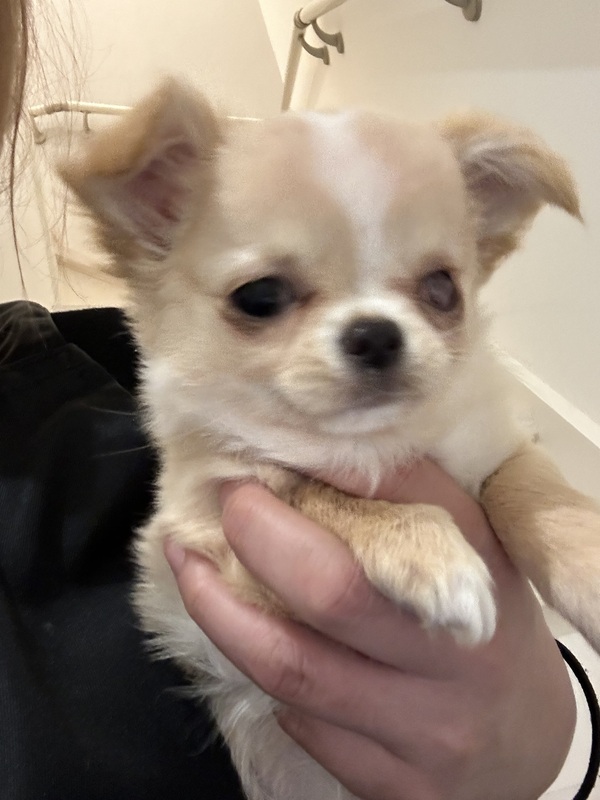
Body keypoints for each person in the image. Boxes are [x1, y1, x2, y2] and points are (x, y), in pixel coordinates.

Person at [0, 1, 585, 798]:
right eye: (266, 298)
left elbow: (507, 464)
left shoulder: (79, 380)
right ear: (147, 216)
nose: (374, 331)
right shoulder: (170, 436)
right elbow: (224, 539)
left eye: (435, 288)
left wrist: (552, 736)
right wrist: (369, 526)